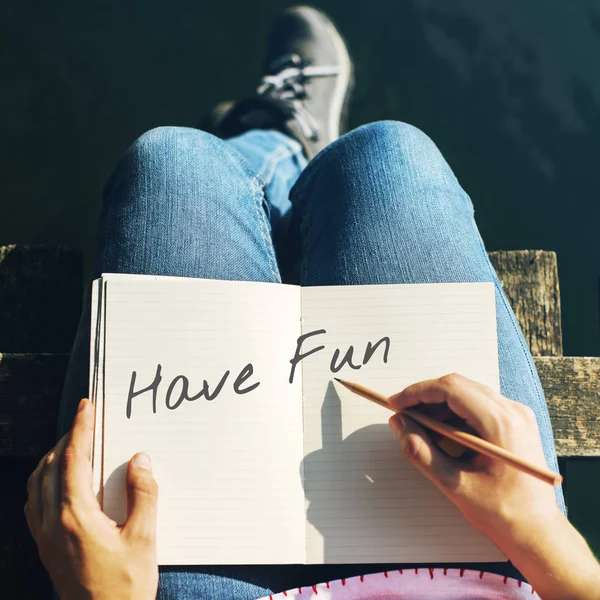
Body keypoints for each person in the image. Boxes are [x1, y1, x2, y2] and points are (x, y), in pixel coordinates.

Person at [24, 6, 600, 599]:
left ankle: (267, 150)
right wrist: (548, 539)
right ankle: (285, 154)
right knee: (387, 155)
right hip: (477, 576)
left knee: (172, 164)